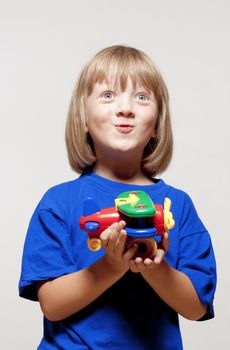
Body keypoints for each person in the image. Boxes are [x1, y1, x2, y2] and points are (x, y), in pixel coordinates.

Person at [19, 45, 216, 349]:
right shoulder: (58, 203)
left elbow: (196, 307)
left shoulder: (178, 205)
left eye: (141, 97)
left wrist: (154, 266)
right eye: (108, 95)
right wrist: (111, 265)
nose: (126, 108)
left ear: (156, 127)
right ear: (83, 119)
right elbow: (52, 305)